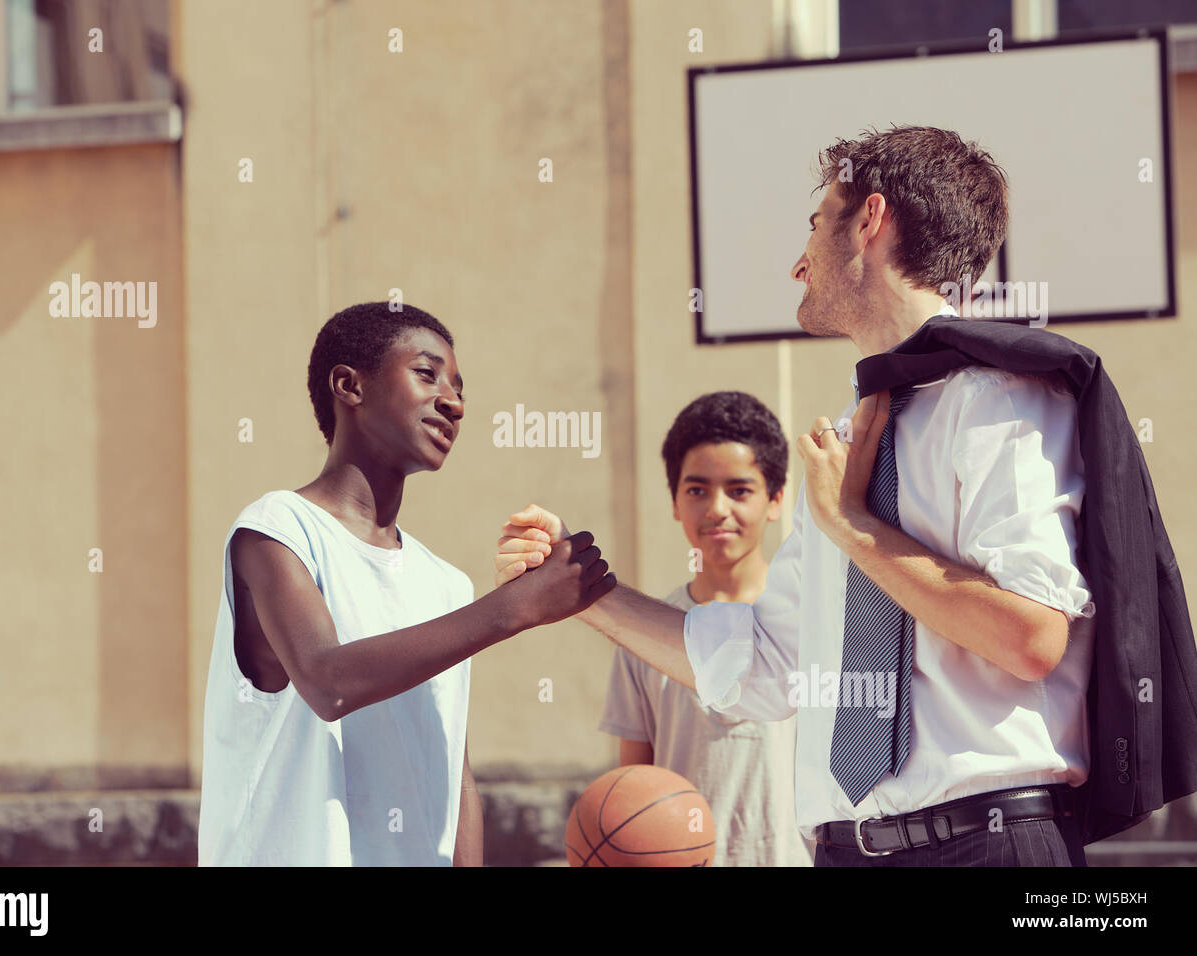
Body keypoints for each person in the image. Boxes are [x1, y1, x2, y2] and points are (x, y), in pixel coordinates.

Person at [496, 126, 1104, 866]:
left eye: (816, 227)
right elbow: (763, 667)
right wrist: (582, 589)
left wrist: (854, 530)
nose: (798, 263)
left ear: (870, 221)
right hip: (848, 850)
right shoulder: (850, 443)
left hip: (984, 845)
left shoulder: (998, 402)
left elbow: (1031, 637)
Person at [199, 302, 615, 866]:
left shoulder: (444, 583)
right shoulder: (276, 529)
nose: (454, 401)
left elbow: (454, 770)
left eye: (460, 387)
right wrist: (513, 608)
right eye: (427, 374)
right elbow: (327, 683)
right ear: (349, 386)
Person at [598, 391, 813, 866]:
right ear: (675, 501)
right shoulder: (646, 635)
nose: (717, 509)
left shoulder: (811, 625)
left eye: (739, 490)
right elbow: (634, 785)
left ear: (776, 499)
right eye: (697, 490)